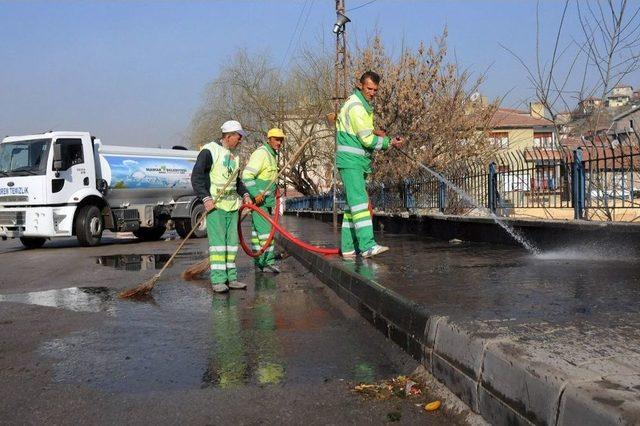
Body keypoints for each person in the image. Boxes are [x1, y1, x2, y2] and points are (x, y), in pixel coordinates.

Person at [336, 71, 404, 259]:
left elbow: (361, 132)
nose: (372, 93)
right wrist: (388, 142)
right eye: (369, 88)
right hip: (351, 161)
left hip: (354, 162)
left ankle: (349, 249)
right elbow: (366, 140)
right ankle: (367, 246)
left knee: (352, 207)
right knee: (360, 203)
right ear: (360, 85)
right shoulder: (357, 107)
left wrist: (377, 132)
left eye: (375, 90)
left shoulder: (359, 105)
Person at [191, 120, 253, 293]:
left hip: (232, 206)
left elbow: (236, 180)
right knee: (218, 245)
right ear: (228, 136)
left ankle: (231, 278)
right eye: (238, 137)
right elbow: (197, 177)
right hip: (216, 206)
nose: (240, 140)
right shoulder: (209, 151)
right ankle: (218, 280)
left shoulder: (235, 155)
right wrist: (205, 198)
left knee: (231, 244)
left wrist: (246, 194)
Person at [242, 128, 283, 273]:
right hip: (259, 203)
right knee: (267, 232)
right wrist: (255, 193)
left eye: (281, 140)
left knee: (257, 233)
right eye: (277, 139)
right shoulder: (262, 154)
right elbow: (247, 176)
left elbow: (268, 178)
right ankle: (267, 262)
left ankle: (259, 261)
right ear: (269, 139)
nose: (279, 142)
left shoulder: (272, 155)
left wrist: (276, 189)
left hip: (266, 202)